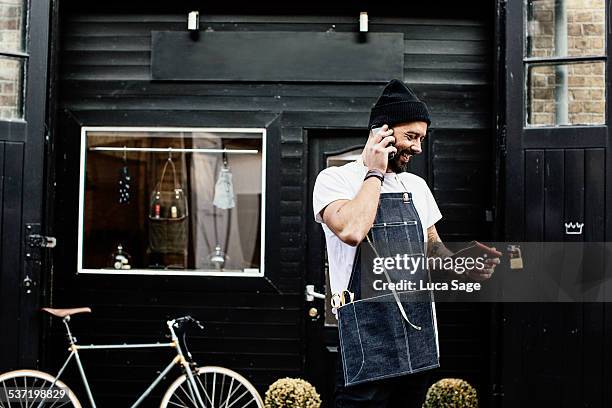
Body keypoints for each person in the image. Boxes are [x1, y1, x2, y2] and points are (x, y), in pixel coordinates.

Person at [312, 79, 500, 408]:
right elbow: (352, 230)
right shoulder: (335, 180)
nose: (417, 148)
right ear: (380, 134)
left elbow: (432, 250)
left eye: (421, 139)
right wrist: (375, 172)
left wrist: (465, 264)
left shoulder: (416, 186)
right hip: (366, 333)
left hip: (417, 328)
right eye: (410, 137)